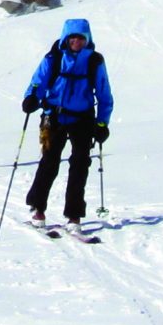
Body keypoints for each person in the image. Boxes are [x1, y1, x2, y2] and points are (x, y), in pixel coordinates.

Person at [19, 18, 112, 234]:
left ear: (87, 39)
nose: (77, 42)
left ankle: (74, 216)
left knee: (80, 164)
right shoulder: (53, 58)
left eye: (81, 38)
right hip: (54, 116)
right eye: (73, 38)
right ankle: (38, 209)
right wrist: (31, 97)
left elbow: (105, 94)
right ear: (66, 38)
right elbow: (38, 81)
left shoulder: (94, 61)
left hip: (83, 119)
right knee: (49, 162)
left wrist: (102, 123)